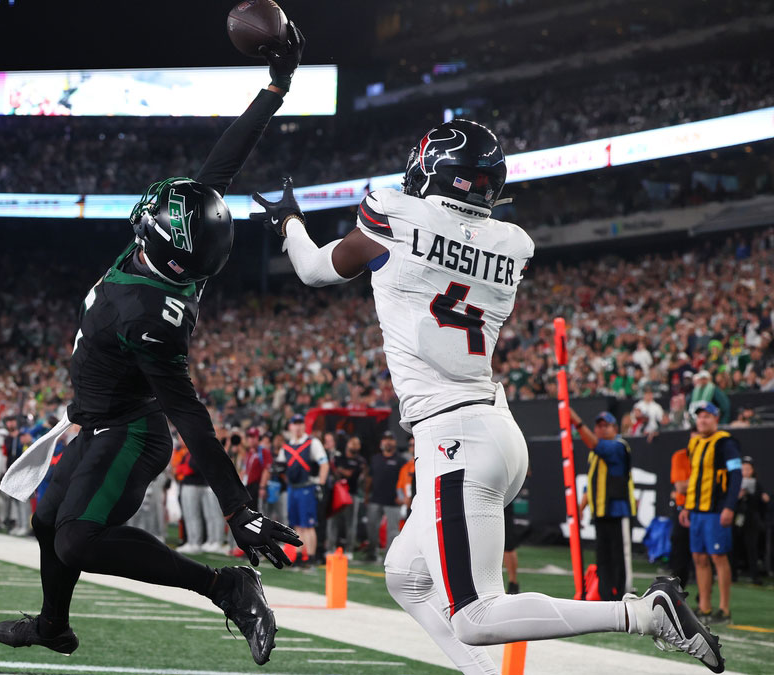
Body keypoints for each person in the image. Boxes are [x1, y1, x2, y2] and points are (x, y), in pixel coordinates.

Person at [252, 118, 724, 673]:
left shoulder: (396, 216)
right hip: (493, 430)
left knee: (475, 616)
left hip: (454, 438)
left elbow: (311, 269)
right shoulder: (511, 244)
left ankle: (644, 615)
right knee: (404, 574)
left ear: (431, 172)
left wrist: (288, 222)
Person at [0, 32, 306, 667]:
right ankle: (54, 625)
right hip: (94, 421)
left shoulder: (144, 312)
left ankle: (225, 586)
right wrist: (274, 89)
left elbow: (189, 415)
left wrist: (238, 508)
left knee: (78, 541)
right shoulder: (180, 261)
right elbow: (219, 171)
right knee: (48, 522)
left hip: (130, 430)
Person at [681, 402, 743, 625]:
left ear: (716, 419)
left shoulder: (725, 443)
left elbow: (736, 476)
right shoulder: (695, 443)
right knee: (699, 558)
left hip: (716, 510)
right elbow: (695, 477)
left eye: (707, 416)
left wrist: (729, 506)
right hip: (697, 510)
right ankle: (704, 607)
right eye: (700, 417)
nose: (703, 420)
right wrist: (688, 505)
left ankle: (724, 609)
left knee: (718, 557)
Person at [569, 409, 636, 601]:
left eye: (605, 425)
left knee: (620, 557)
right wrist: (581, 509)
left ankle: (625, 593)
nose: (601, 429)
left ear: (615, 428)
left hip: (618, 511)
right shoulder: (595, 453)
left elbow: (593, 443)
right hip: (600, 512)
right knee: (603, 558)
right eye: (598, 426)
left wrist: (577, 421)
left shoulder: (618, 446)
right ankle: (607, 597)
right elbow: (590, 484)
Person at [278, 414, 329, 566]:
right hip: (293, 488)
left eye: (301, 423)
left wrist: (321, 483)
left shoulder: (312, 442)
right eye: (295, 423)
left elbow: (324, 464)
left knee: (308, 525)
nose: (298, 427)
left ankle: (311, 557)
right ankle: (300, 555)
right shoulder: (286, 446)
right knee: (297, 524)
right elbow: (280, 465)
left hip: (307, 487)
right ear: (290, 427)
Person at [364, 430, 405, 562]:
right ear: (381, 442)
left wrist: (401, 496)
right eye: (385, 439)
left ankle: (390, 557)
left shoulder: (401, 460)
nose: (387, 441)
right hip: (375, 498)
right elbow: (369, 478)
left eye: (390, 439)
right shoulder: (375, 458)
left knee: (392, 531)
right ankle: (372, 554)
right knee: (371, 528)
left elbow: (404, 481)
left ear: (395, 442)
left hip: (393, 501)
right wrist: (366, 494)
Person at [328, 436, 365, 553]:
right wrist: (341, 471)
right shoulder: (339, 457)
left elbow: (350, 474)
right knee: (333, 521)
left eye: (356, 443)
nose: (354, 445)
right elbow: (334, 471)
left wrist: (341, 470)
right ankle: (330, 548)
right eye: (352, 442)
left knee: (351, 523)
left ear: (359, 447)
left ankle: (349, 550)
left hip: (351, 494)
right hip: (337, 493)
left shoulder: (360, 460)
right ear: (347, 444)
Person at [735, 457, 769, 584]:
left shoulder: (757, 484)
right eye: (743, 469)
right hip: (738, 520)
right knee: (735, 547)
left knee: (752, 548)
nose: (745, 471)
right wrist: (740, 495)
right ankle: (734, 575)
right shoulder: (735, 484)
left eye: (748, 469)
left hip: (751, 520)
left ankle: (755, 575)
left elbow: (762, 505)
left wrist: (763, 498)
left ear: (752, 470)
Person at [669, 444, 693, 587]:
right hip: (684, 509)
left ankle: (705, 605)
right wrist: (701, 480)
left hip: (706, 511)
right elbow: (680, 487)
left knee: (703, 557)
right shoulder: (680, 456)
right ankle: (676, 593)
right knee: (680, 550)